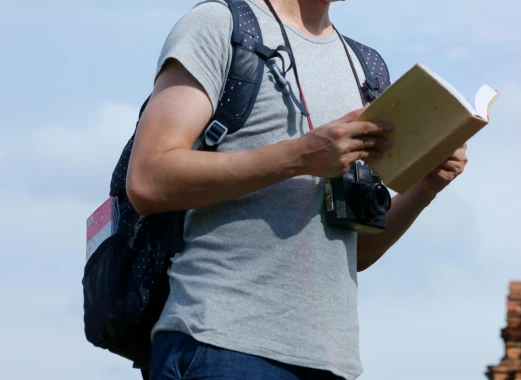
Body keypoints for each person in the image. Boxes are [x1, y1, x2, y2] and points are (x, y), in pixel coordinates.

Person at [126, 0, 468, 379]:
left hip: (332, 363)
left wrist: (424, 189)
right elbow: (148, 178)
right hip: (221, 346)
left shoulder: (365, 68)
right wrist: (301, 157)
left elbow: (353, 252)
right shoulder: (221, 25)